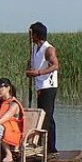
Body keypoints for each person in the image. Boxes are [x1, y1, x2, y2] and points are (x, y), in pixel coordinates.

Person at [26, 21, 59, 154]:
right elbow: (33, 64)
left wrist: (38, 73)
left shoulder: (48, 49)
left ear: (36, 35)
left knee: (47, 117)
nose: (30, 37)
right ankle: (42, 146)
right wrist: (30, 70)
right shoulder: (34, 48)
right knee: (41, 116)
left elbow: (55, 65)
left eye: (32, 34)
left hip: (48, 87)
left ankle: (50, 149)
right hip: (39, 87)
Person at [0, 78, 25, 162]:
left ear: (8, 88)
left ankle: (8, 154)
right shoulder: (0, 102)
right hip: (3, 129)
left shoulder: (14, 104)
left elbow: (3, 119)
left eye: (0, 88)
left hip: (12, 132)